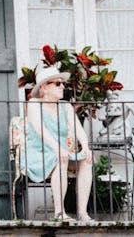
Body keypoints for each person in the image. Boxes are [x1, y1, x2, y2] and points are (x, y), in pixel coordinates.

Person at [24, 64, 94, 222]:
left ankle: (82, 213)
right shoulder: (34, 104)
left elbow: (78, 129)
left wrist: (86, 146)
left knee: (87, 160)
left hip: (62, 152)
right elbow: (41, 130)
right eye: (58, 83)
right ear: (44, 87)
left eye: (63, 83)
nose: (63, 86)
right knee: (60, 159)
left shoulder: (66, 106)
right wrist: (57, 149)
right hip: (39, 153)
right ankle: (59, 213)